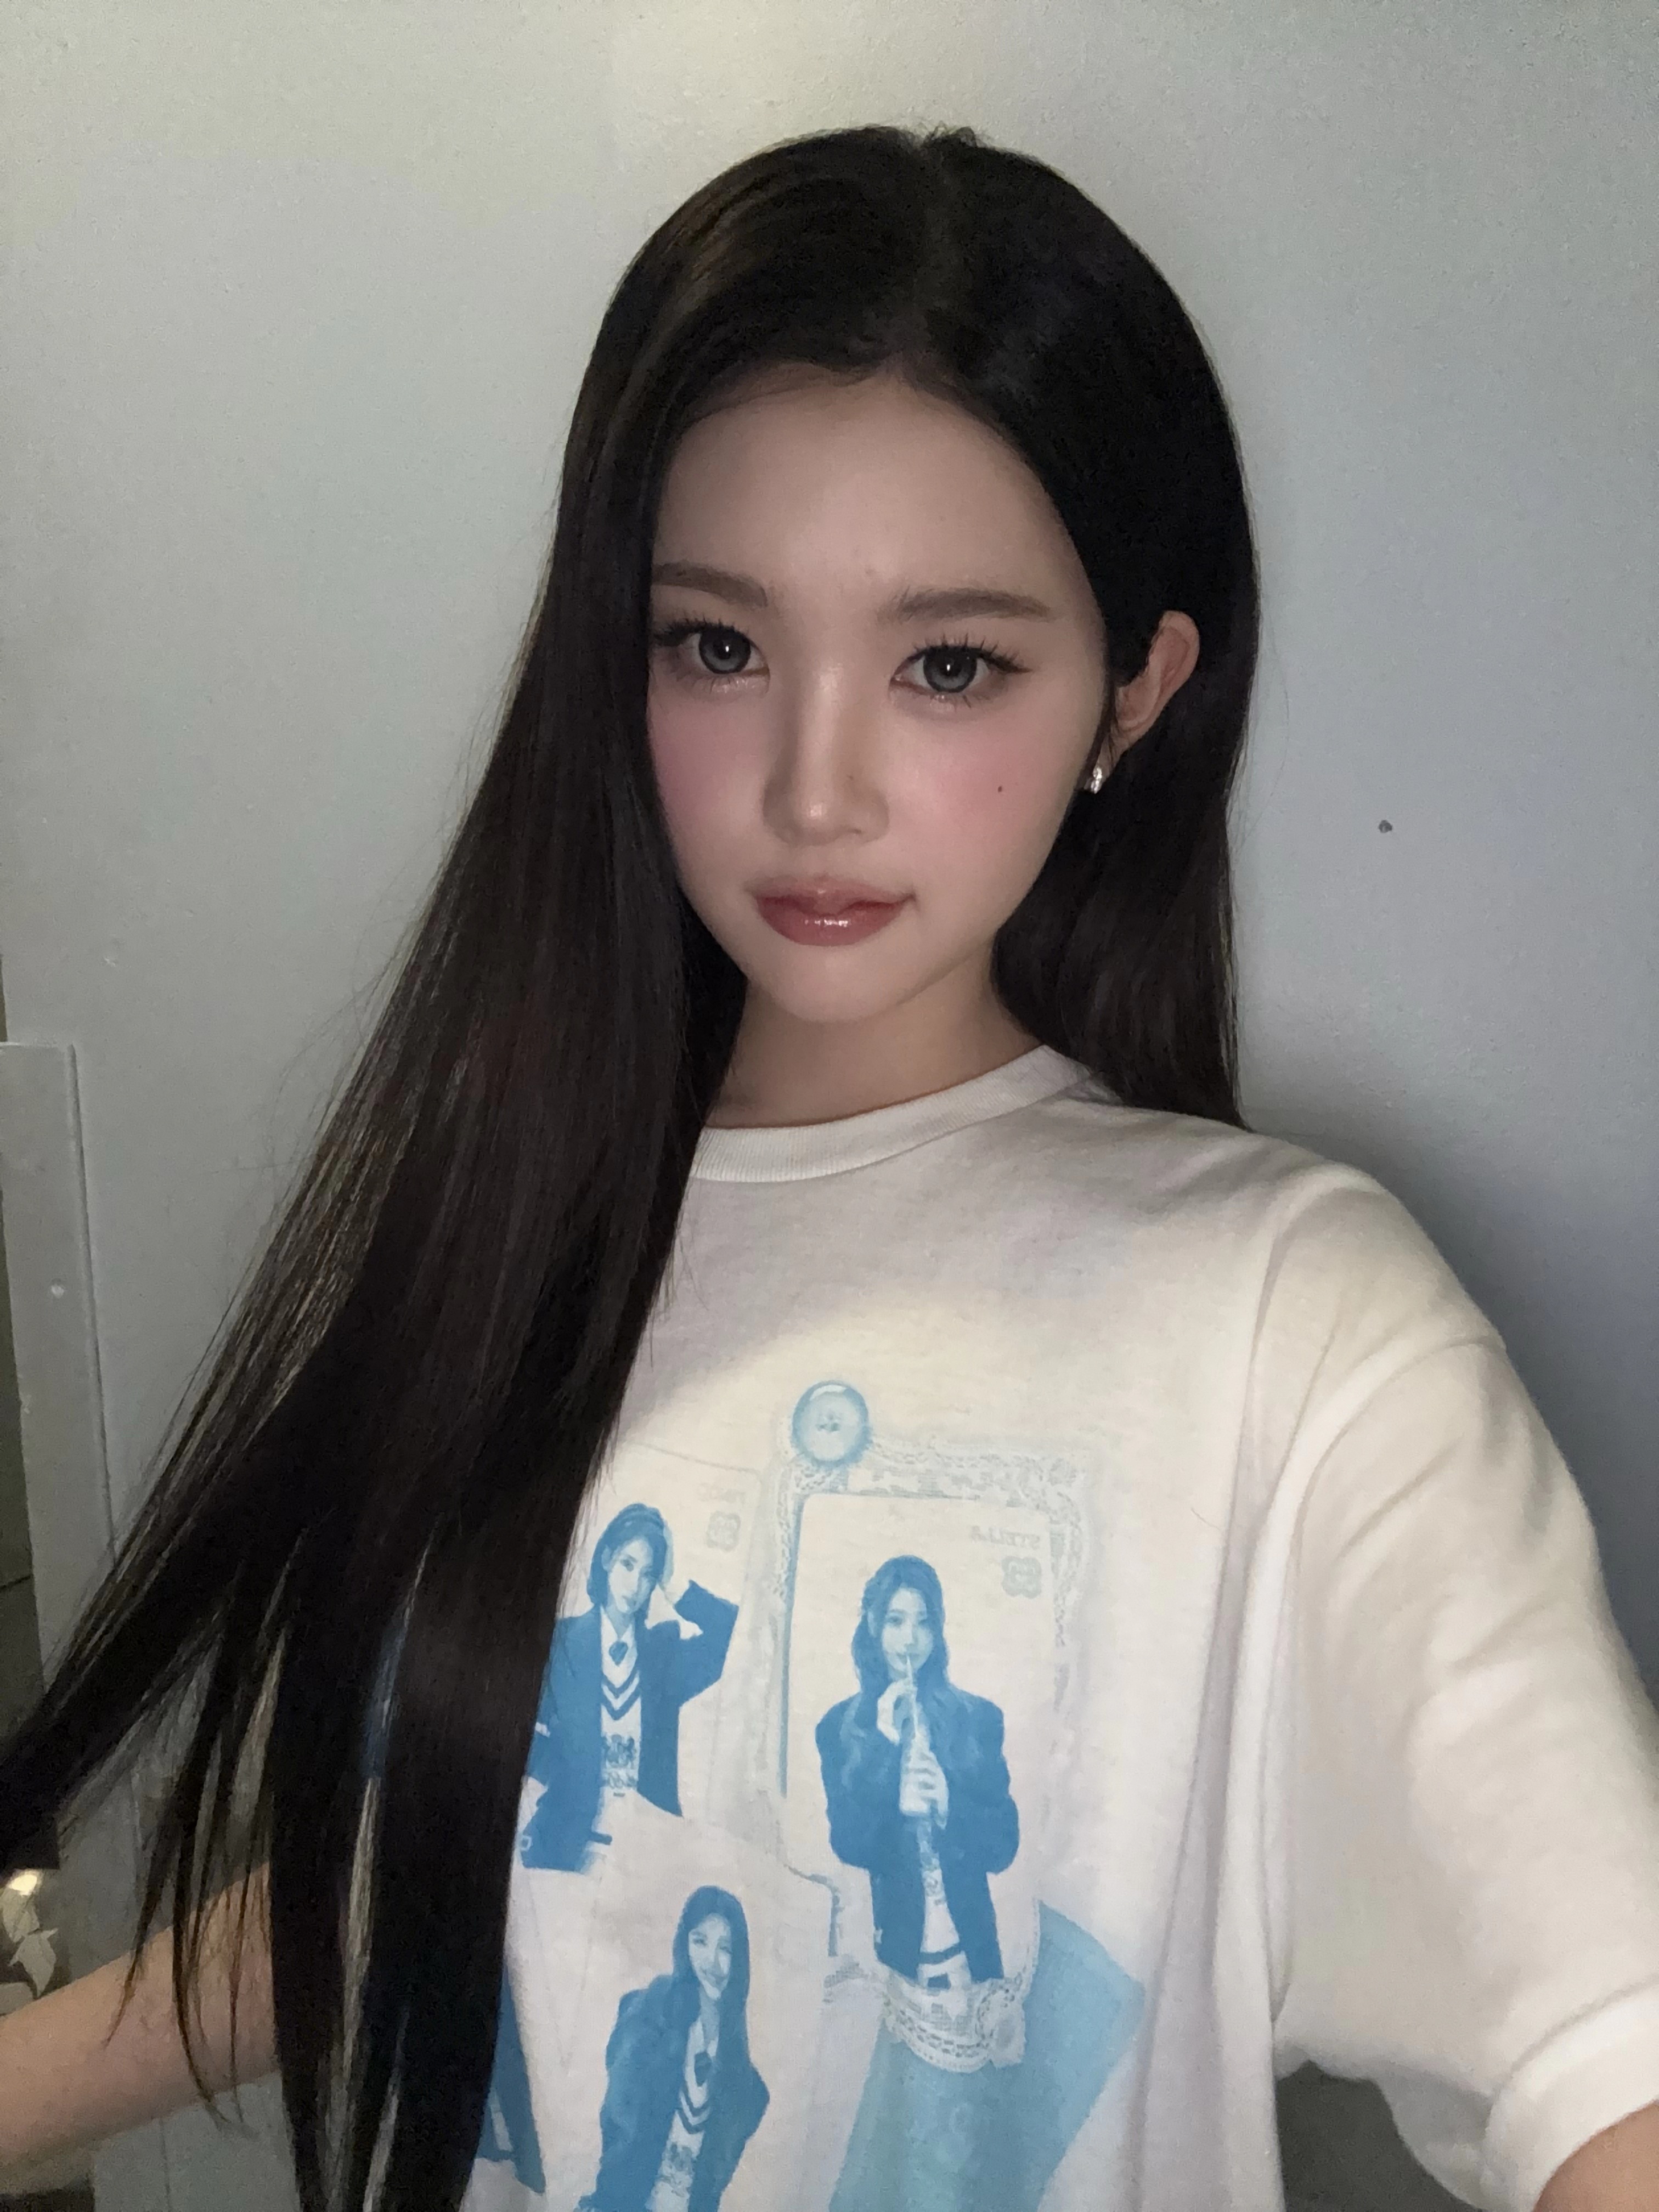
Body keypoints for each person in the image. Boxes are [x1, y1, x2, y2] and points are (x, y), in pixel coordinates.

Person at [3, 120, 1658, 2212]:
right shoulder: (518, 1220)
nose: (812, 788)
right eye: (716, 644)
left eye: (947, 663)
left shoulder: (1297, 1333)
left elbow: (1596, 2050)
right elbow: (463, 1861)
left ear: (1130, 693)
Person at [816, 1556, 1018, 1989]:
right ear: (873, 1626)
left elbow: (1004, 1848)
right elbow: (850, 1845)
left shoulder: (978, 1719)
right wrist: (885, 1746)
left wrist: (949, 1805)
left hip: (973, 1957)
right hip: (894, 1964)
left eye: (923, 1623)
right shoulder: (839, 1729)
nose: (910, 1640)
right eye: (895, 1621)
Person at [517, 1503, 738, 1870]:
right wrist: (560, 1775)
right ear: (606, 1559)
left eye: (648, 1574)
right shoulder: (561, 1643)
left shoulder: (663, 1657)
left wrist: (675, 1584)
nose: (635, 1586)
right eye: (628, 1564)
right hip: (565, 1848)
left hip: (645, 1857)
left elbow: (734, 1639)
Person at [577, 1887, 769, 2212]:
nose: (712, 1961)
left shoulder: (747, 2087)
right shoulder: (648, 2023)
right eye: (700, 1941)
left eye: (726, 1948)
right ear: (685, 1944)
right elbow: (617, 2124)